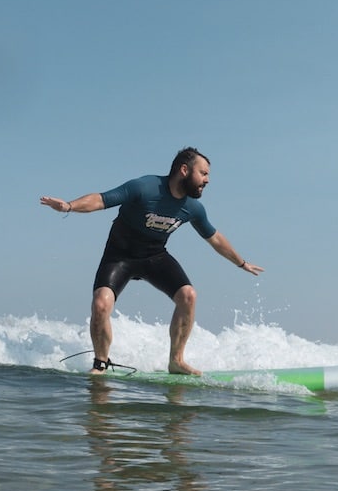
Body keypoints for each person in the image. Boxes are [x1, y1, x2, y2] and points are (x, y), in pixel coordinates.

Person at [40, 147, 263, 375]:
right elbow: (102, 199)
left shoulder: (193, 208)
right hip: (120, 256)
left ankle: (176, 361)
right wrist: (69, 206)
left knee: (188, 296)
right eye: (203, 173)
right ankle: (101, 363)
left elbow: (214, 237)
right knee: (101, 304)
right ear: (184, 170)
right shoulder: (144, 187)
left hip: (155, 256)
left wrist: (241, 263)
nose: (207, 180)